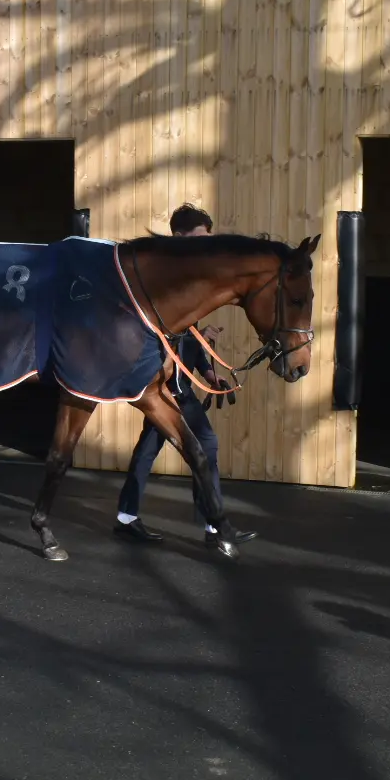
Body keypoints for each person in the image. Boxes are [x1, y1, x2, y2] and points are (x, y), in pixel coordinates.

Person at [114, 204, 256, 545]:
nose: (205, 247)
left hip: (176, 387)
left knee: (151, 448)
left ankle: (127, 515)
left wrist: (208, 372)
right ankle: (213, 524)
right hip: (162, 387)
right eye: (199, 240)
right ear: (178, 239)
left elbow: (187, 339)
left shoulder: (188, 286)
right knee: (203, 444)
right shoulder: (162, 284)